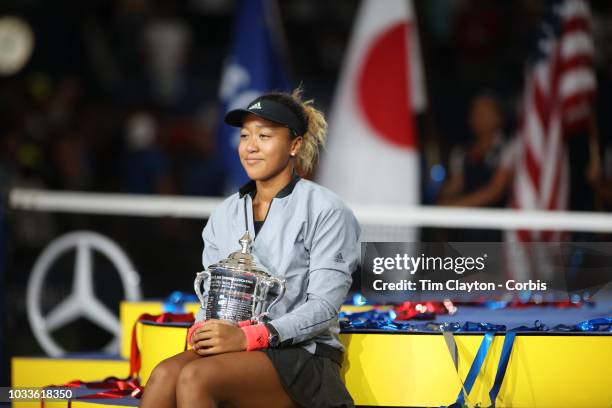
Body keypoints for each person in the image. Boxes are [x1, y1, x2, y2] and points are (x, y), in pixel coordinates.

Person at [139, 89, 360, 408]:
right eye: (245, 136)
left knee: (195, 378)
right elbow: (211, 297)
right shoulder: (224, 213)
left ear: (295, 145)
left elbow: (324, 307)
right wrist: (204, 329)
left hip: (302, 355)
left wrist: (252, 336)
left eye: (265, 136)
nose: (251, 146)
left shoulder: (327, 210)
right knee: (162, 375)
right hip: (238, 348)